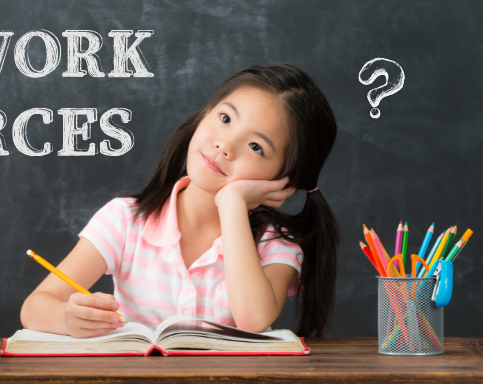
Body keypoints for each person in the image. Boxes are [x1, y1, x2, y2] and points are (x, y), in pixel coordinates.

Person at [20, 63, 341, 338]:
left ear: (283, 179)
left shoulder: (273, 243)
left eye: (256, 147)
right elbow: (34, 309)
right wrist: (67, 318)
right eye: (226, 119)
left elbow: (254, 319)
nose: (224, 145)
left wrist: (231, 203)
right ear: (204, 114)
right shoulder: (124, 221)